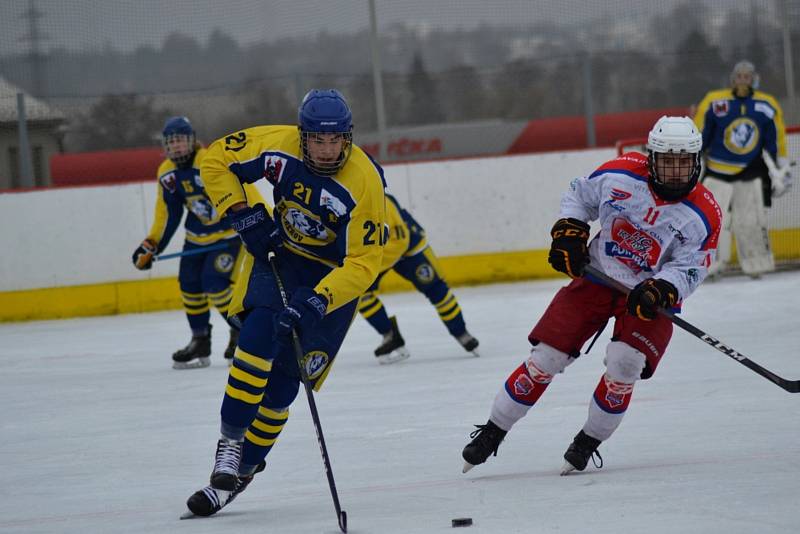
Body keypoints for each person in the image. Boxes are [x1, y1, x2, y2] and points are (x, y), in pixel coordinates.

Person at [461, 116, 721, 476]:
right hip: (598, 277)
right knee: (546, 358)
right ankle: (493, 430)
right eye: (667, 161)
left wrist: (664, 287)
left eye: (683, 162)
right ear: (651, 157)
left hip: (649, 297)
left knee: (625, 364)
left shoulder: (704, 213)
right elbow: (579, 195)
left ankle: (587, 442)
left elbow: (694, 265)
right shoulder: (619, 174)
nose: (676, 172)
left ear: (695, 162)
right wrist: (570, 230)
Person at [183, 89, 387, 517]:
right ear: (303, 135)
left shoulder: (365, 181)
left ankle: (240, 475)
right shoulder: (276, 144)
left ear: (347, 138)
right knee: (256, 341)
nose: (328, 150)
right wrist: (243, 213)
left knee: (282, 389)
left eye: (336, 141)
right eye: (318, 140)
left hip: (332, 282)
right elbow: (216, 159)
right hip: (283, 257)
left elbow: (365, 264)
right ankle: (229, 445)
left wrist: (318, 300)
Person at [132, 116, 243, 369]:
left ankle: (242, 333)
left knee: (214, 284)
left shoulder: (208, 161)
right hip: (195, 240)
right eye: (171, 143)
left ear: (192, 141)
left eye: (181, 141)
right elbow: (168, 214)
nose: (176, 147)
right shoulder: (167, 172)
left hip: (227, 239)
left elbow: (236, 190)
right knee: (190, 286)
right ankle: (200, 340)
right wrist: (152, 244)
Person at [693, 60, 793, 279]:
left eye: (747, 76)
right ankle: (709, 266)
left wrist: (780, 163)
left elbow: (774, 137)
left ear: (754, 79)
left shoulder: (766, 104)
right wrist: (694, 154)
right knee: (711, 220)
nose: (743, 80)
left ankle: (756, 265)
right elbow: (702, 131)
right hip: (717, 170)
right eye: (739, 76)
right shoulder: (715, 101)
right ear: (733, 79)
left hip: (749, 171)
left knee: (750, 220)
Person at [358, 192, 480, 363]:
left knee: (436, 290)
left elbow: (400, 240)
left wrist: (373, 266)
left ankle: (461, 333)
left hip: (410, 247)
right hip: (380, 252)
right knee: (358, 293)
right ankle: (390, 335)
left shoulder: (380, 201)